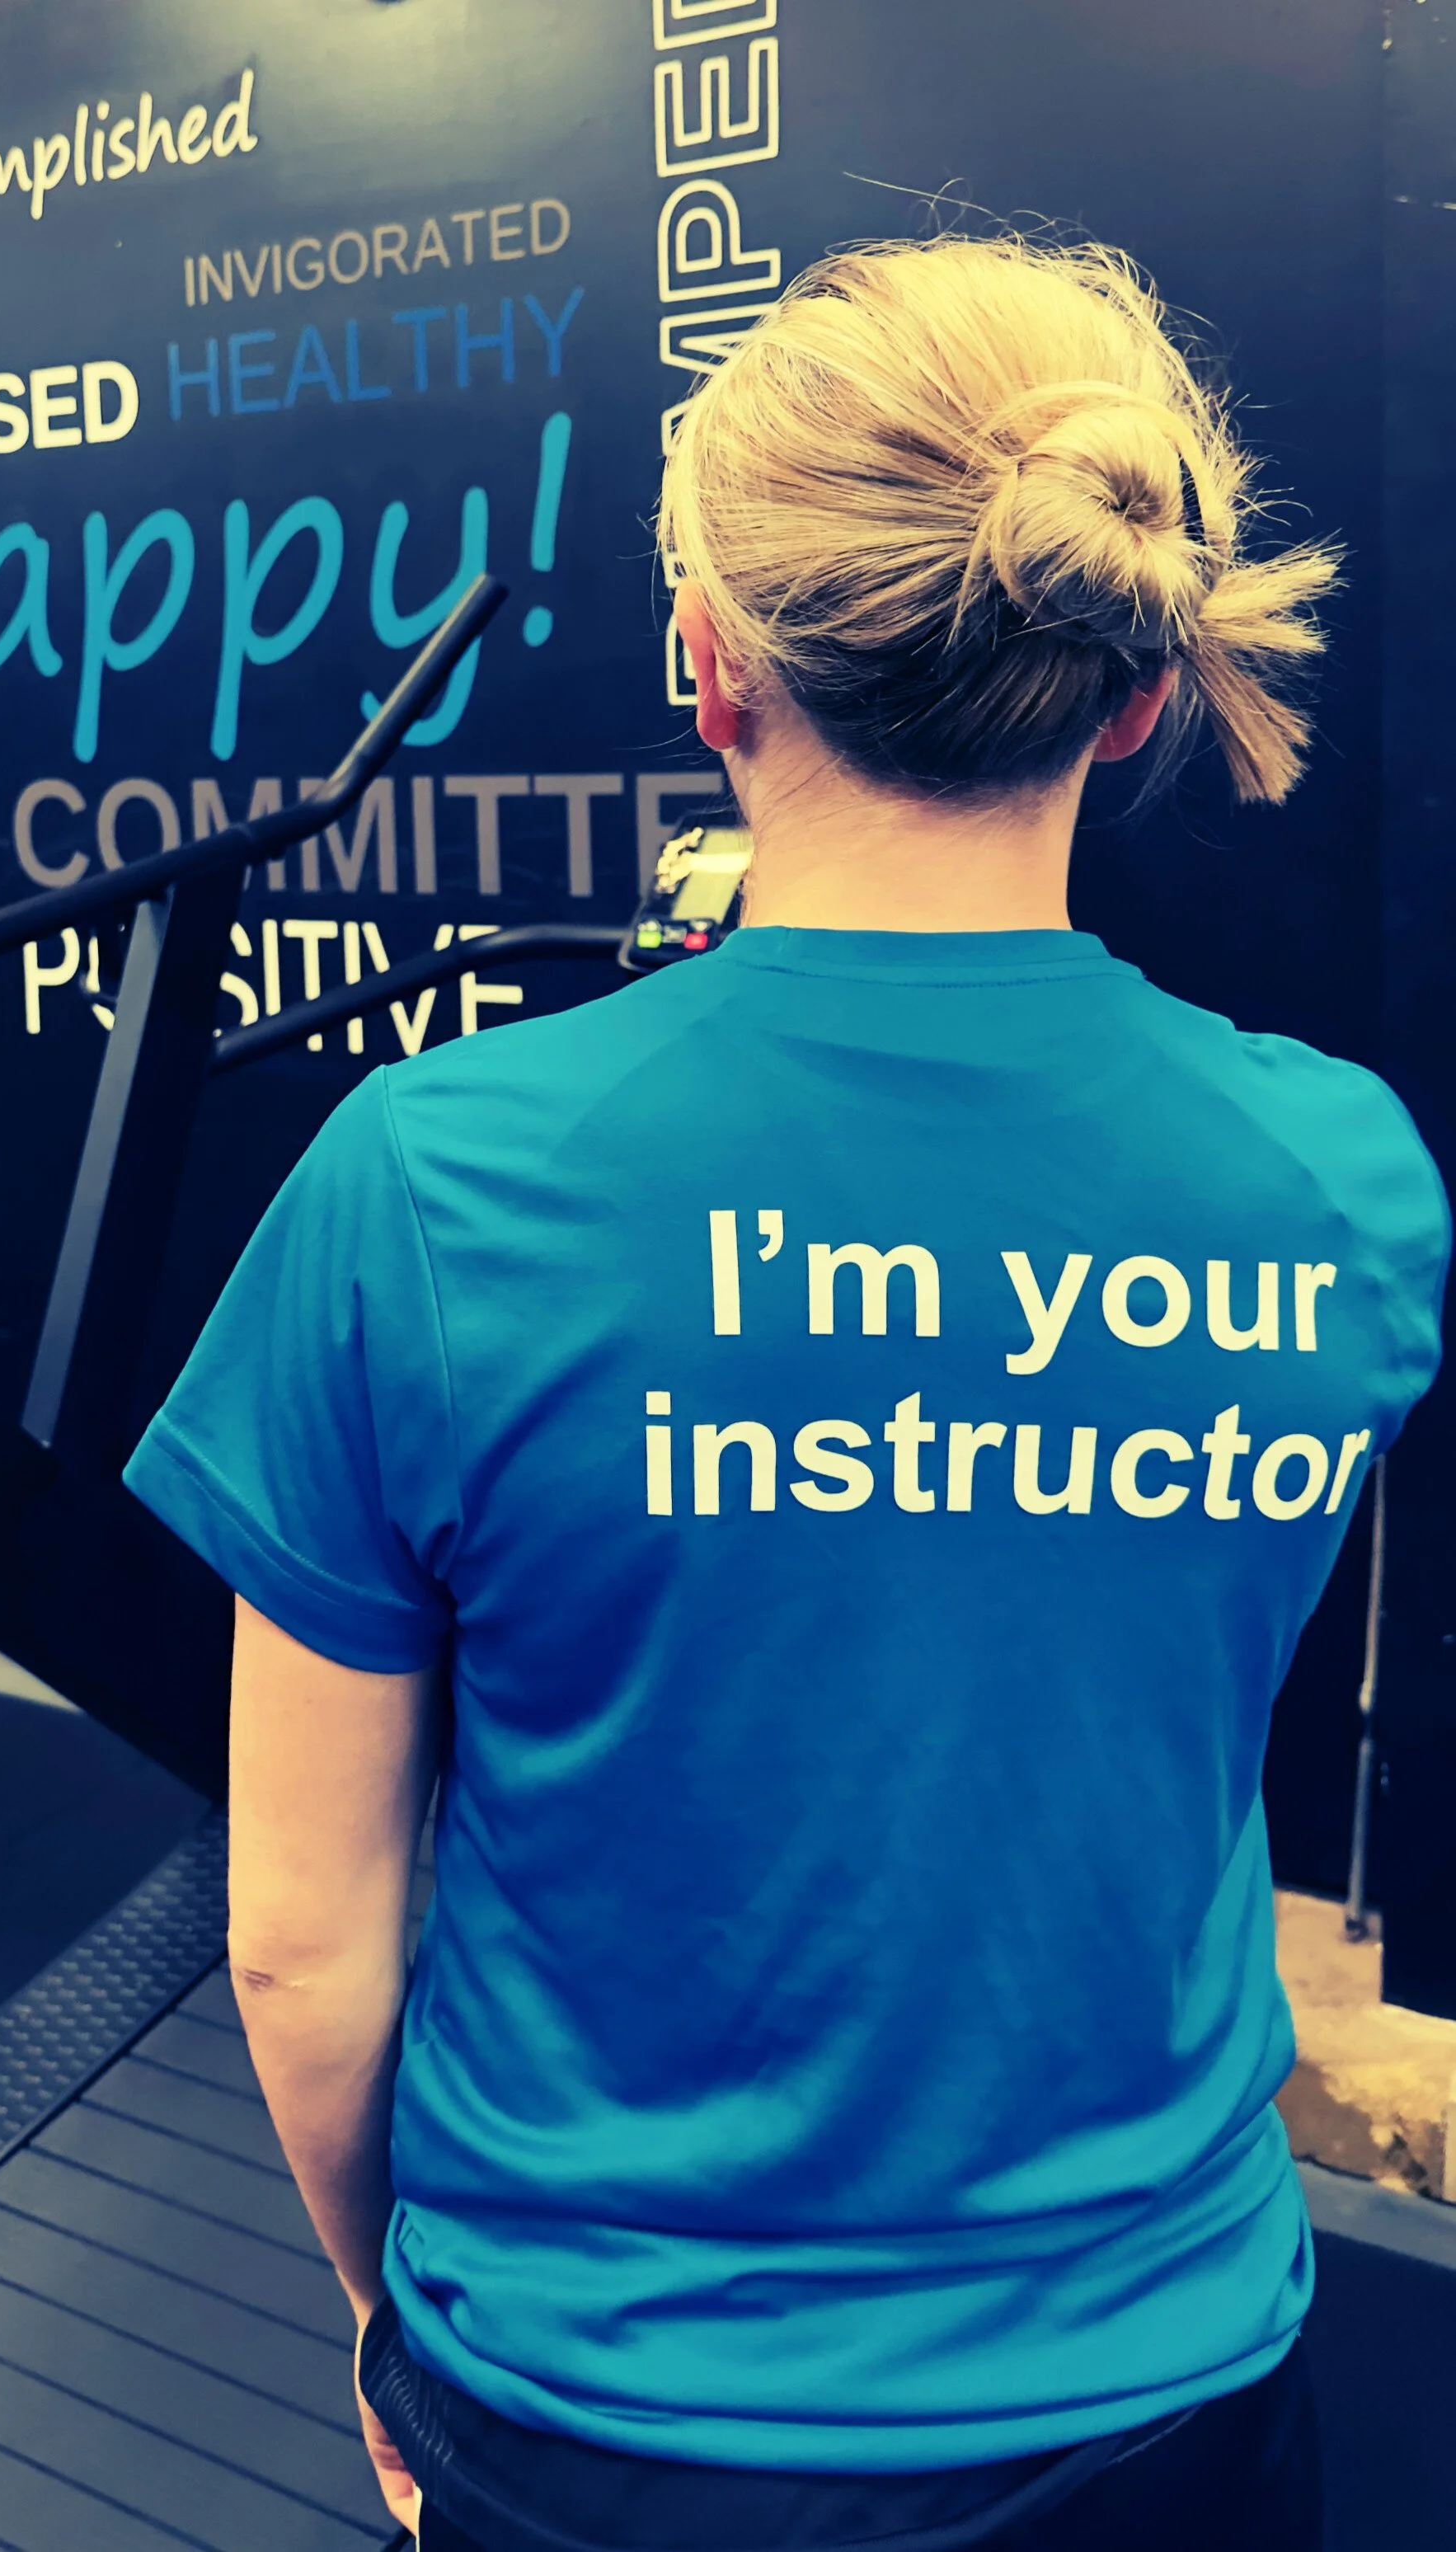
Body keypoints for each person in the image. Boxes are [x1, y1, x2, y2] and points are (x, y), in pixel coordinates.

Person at [124, 235, 1449, 2550]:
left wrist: (386, 2332)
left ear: (707, 666)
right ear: (1127, 693)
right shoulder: (1341, 1184)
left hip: (597, 2423)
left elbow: (300, 1942)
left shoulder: (429, 1187)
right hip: (1165, 2410)